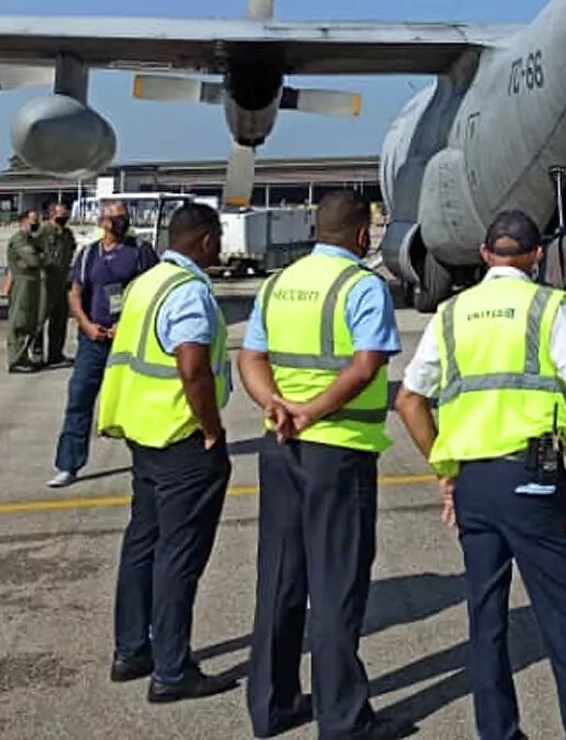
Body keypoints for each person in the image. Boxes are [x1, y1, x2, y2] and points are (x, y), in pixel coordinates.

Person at [392, 210, 566, 740]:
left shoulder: (451, 313)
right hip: (534, 478)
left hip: (474, 484)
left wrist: (445, 465)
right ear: (537, 256)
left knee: (486, 618)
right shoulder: (548, 307)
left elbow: (408, 400)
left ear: (486, 256)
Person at [236, 190, 402, 739]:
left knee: (280, 577)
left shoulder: (279, 283)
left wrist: (273, 405)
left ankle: (272, 704)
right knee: (336, 586)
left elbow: (251, 356)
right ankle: (344, 721)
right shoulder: (362, 286)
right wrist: (312, 410)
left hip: (280, 446)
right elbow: (366, 363)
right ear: (362, 236)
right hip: (340, 447)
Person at [94, 202, 237, 704]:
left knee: (142, 543)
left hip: (143, 434)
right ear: (202, 242)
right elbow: (192, 366)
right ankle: (173, 671)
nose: (220, 247)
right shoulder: (190, 292)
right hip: (181, 439)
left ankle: (132, 650)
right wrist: (213, 428)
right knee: (179, 555)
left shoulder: (146, 283)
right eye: (217, 238)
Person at [48, 200, 158, 488]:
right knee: (80, 396)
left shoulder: (141, 252)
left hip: (128, 339)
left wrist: (126, 324)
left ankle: (147, 461)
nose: (121, 222)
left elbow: (152, 292)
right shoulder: (88, 255)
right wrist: (85, 324)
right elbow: (75, 293)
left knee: (136, 400)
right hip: (93, 339)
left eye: (124, 216)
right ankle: (69, 464)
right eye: (116, 217)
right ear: (103, 222)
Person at [37, 202, 79, 367]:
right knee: (40, 319)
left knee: (60, 319)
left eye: (66, 215)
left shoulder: (67, 233)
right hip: (45, 282)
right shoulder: (43, 231)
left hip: (61, 282)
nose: (65, 218)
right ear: (52, 214)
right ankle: (37, 353)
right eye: (62, 214)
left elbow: (71, 251)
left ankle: (55, 353)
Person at [5, 209, 45, 374]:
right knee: (19, 320)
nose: (36, 225)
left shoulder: (32, 240)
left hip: (32, 283)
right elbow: (33, 260)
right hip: (22, 282)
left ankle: (24, 356)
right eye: (33, 222)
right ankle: (16, 359)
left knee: (30, 321)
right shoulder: (19, 240)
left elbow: (44, 255)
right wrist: (41, 257)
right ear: (23, 221)